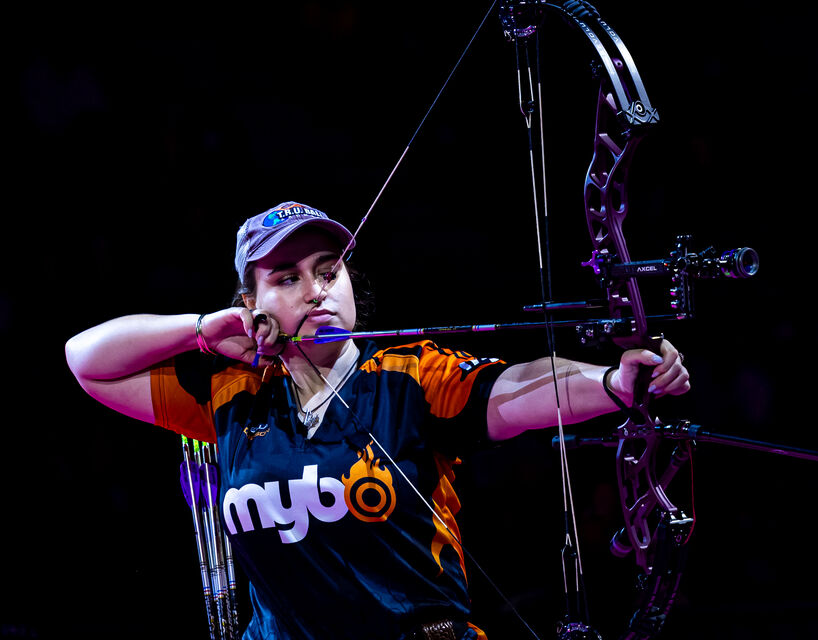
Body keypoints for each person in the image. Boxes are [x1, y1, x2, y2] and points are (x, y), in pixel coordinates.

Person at [65, 200, 690, 640]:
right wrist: (202, 332)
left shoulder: (410, 375)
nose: (316, 290)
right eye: (287, 278)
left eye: (328, 271)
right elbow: (85, 361)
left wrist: (614, 382)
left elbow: (520, 387)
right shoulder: (231, 395)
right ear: (250, 306)